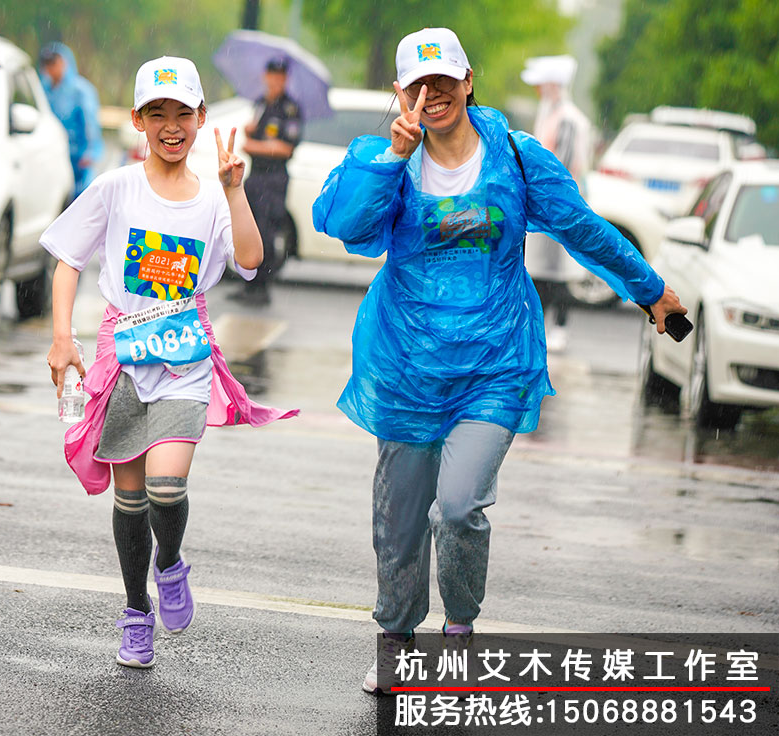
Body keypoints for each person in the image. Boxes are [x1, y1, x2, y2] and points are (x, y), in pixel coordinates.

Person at [312, 28, 686, 694]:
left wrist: (650, 290)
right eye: (419, 85)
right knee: (399, 523)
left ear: (469, 81)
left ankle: (459, 631)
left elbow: (582, 228)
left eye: (445, 82)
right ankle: (397, 640)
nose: (434, 96)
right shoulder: (380, 159)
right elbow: (345, 227)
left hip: (494, 364)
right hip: (407, 370)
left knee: (456, 508)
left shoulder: (516, 157)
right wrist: (392, 157)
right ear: (400, 93)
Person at [41, 56, 297, 668]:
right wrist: (60, 338)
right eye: (158, 113)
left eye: (183, 112)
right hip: (122, 358)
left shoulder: (212, 195)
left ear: (202, 117)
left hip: (185, 358)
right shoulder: (115, 187)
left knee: (165, 487)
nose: (172, 125)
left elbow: (252, 260)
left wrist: (235, 190)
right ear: (138, 120)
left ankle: (170, 563)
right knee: (128, 498)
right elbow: (67, 259)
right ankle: (136, 610)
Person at [520, 55, 593, 352]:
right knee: (544, 270)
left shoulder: (567, 119)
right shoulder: (553, 114)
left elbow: (560, 164)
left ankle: (558, 326)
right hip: (548, 203)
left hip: (559, 204)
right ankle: (543, 326)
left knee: (558, 270)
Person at [229, 58, 302, 306]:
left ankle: (262, 287)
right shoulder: (261, 103)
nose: (274, 80)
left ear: (285, 79)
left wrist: (254, 145)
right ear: (265, 76)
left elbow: (286, 147)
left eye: (280, 76)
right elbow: (258, 134)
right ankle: (248, 283)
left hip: (273, 178)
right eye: (271, 74)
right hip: (255, 175)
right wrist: (250, 132)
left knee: (266, 231)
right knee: (246, 228)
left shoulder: (290, 109)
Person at [39, 42, 105, 199]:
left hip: (77, 157)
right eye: (47, 64)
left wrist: (89, 152)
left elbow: (90, 123)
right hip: (53, 154)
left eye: (54, 63)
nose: (51, 68)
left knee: (80, 199)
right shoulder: (44, 89)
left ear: (65, 62)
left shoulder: (81, 91)